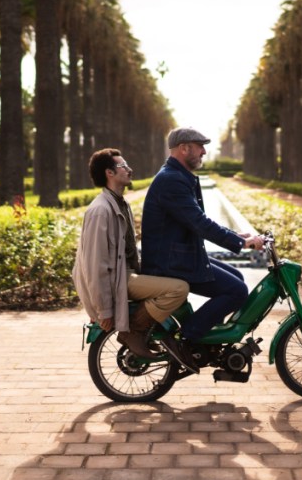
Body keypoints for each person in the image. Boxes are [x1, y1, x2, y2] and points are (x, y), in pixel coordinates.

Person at [140, 127, 265, 367]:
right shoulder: (171, 181)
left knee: (237, 276)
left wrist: (236, 235)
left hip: (178, 256)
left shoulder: (177, 176)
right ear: (184, 148)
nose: (204, 151)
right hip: (169, 263)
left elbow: (196, 220)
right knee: (237, 291)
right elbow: (200, 223)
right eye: (200, 146)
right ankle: (188, 338)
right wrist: (241, 242)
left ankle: (207, 334)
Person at [72, 148, 191, 362]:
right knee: (179, 289)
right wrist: (104, 309)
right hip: (117, 280)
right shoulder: (100, 211)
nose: (129, 169)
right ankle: (134, 330)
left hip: (124, 274)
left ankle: (155, 332)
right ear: (109, 173)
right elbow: (94, 265)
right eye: (123, 166)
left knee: (177, 276)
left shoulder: (120, 203)